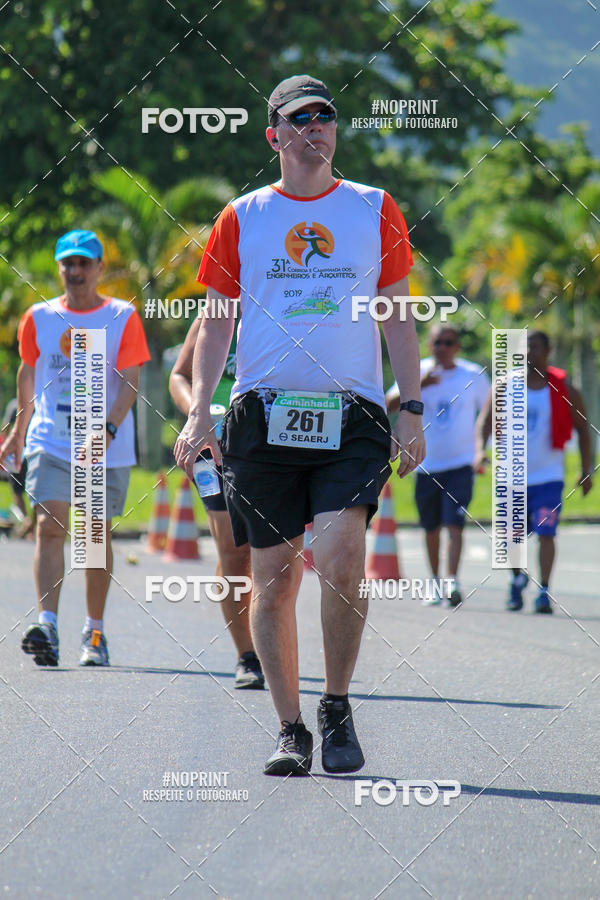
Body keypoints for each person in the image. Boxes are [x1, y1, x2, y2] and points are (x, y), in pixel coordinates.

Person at [174, 74, 425, 776]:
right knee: (274, 578)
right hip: (262, 416)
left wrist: (409, 407)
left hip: (353, 417)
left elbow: (398, 312)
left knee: (343, 560)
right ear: (274, 134)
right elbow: (215, 325)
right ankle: (290, 729)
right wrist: (200, 412)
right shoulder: (243, 216)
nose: (316, 127)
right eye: (300, 118)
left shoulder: (374, 208)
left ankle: (336, 705)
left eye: (326, 117)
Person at [0, 230, 150, 666]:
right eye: (68, 263)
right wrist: (15, 431)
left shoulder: (122, 316)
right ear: (59, 268)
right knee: (48, 527)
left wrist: (106, 431)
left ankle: (94, 631)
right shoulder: (39, 317)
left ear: (100, 268)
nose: (76, 271)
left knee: (92, 536)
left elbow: (129, 383)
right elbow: (27, 376)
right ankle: (47, 625)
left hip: (104, 445)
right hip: (51, 439)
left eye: (85, 263)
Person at [169, 316, 264, 688]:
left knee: (267, 553)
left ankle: (269, 636)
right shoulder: (214, 316)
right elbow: (178, 375)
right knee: (233, 551)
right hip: (212, 449)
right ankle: (247, 655)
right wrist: (199, 412)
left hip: (265, 447)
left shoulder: (279, 306)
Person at [476, 330, 593, 613]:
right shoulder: (505, 384)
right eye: (525, 348)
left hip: (548, 478)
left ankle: (544, 590)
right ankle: (517, 580)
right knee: (511, 536)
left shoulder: (564, 388)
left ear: (548, 350)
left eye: (536, 348)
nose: (530, 353)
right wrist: (480, 451)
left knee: (546, 532)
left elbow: (583, 429)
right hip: (511, 477)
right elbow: (485, 423)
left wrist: (586, 469)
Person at [387, 324, 490, 607]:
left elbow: (492, 411)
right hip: (426, 464)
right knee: (431, 527)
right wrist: (419, 385)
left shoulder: (473, 375)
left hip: (460, 463)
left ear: (457, 346)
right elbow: (388, 404)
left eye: (448, 342)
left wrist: (484, 450)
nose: (442, 348)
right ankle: (433, 583)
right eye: (437, 343)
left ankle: (452, 580)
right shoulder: (415, 372)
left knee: (454, 523)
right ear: (429, 345)